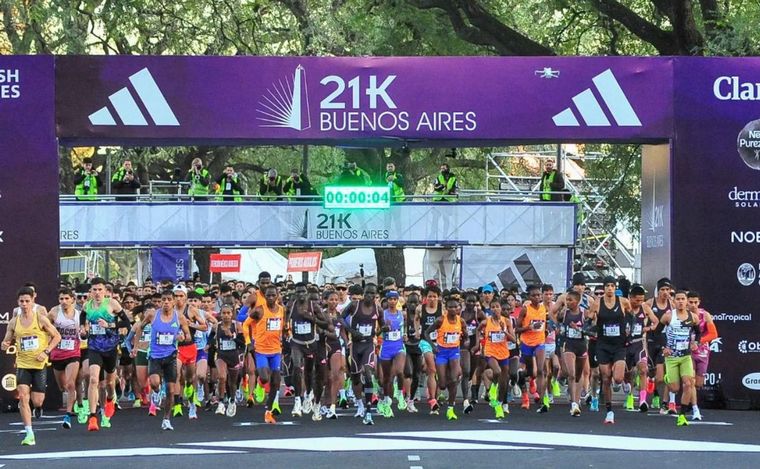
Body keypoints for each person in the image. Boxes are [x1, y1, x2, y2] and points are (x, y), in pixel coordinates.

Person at [2, 287, 62, 446]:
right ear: (17, 303)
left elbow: (57, 336)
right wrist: (5, 343)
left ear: (32, 301)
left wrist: (46, 351)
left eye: (27, 301)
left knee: (37, 400)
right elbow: (8, 339)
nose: (24, 304)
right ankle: (29, 433)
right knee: (22, 396)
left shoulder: (40, 318)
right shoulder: (14, 321)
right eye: (21, 301)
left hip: (39, 362)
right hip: (22, 363)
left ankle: (38, 407)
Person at [134, 290, 192, 430]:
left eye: (169, 299)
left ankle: (166, 419)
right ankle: (156, 391)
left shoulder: (179, 318)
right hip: (155, 356)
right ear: (160, 301)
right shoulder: (153, 315)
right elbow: (139, 328)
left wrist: (182, 337)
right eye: (163, 299)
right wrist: (136, 346)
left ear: (173, 302)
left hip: (171, 356)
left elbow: (188, 336)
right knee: (154, 383)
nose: (166, 302)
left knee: (171, 390)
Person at [82, 277, 127, 431]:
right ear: (91, 291)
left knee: (108, 383)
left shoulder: (112, 304)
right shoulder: (87, 306)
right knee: (94, 379)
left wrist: (110, 325)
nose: (97, 293)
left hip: (110, 348)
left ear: (105, 291)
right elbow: (83, 318)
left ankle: (110, 399)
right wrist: (83, 329)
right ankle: (93, 417)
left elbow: (126, 323)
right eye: (94, 290)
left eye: (100, 289)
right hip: (94, 347)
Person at [587, 276, 631, 425]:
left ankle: (622, 381)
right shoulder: (597, 303)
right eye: (607, 286)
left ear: (615, 288)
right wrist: (590, 322)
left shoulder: (623, 301)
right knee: (605, 377)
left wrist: (629, 328)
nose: (610, 288)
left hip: (619, 344)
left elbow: (631, 314)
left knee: (617, 378)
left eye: (613, 286)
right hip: (603, 344)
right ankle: (609, 411)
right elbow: (589, 319)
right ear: (604, 288)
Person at [659, 290, 701, 427]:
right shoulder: (668, 316)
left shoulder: (693, 317)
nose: (681, 301)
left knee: (689, 384)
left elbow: (698, 332)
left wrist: (695, 343)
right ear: (674, 301)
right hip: (671, 357)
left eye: (683, 299)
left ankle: (682, 415)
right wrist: (663, 347)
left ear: (687, 301)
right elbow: (657, 333)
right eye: (678, 299)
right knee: (674, 389)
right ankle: (668, 379)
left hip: (685, 356)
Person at [344, 283, 382, 425]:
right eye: (367, 293)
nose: (370, 296)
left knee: (367, 373)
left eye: (373, 294)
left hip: (368, 345)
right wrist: (352, 331)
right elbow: (341, 318)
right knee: (355, 378)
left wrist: (381, 330)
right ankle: (359, 403)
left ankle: (368, 410)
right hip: (355, 345)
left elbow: (380, 328)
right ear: (363, 293)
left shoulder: (378, 309)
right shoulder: (354, 305)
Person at [425, 297, 468, 421]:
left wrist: (465, 341)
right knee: (443, 385)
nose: (453, 309)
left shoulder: (461, 321)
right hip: (442, 352)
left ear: (459, 308)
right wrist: (433, 346)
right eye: (450, 307)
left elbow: (465, 336)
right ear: (446, 308)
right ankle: (438, 385)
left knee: (454, 380)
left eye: (456, 307)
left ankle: (450, 408)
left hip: (454, 352)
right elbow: (427, 333)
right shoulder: (440, 320)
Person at [250, 285, 286, 424]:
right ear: (265, 297)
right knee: (265, 378)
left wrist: (286, 333)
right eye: (268, 296)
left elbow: (284, 325)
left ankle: (268, 412)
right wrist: (249, 341)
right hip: (261, 350)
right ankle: (260, 384)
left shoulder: (282, 310)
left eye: (273, 295)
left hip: (276, 350)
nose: (271, 298)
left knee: (276, 382)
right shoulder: (259, 310)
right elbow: (247, 323)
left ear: (277, 296)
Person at [47, 288, 81, 429]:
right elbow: (44, 328)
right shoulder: (54, 313)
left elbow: (85, 329)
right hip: (57, 353)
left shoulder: (79, 314)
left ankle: (68, 414)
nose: (64, 302)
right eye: (61, 299)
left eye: (67, 298)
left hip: (73, 352)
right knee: (62, 387)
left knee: (70, 384)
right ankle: (72, 404)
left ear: (72, 299)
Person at [477, 298, 514, 419]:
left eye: (497, 306)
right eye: (493, 307)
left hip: (503, 353)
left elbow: (513, 340)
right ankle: (492, 388)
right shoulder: (486, 322)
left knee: (504, 382)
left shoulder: (507, 321)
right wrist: (479, 344)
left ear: (501, 308)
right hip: (490, 351)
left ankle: (499, 405)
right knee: (496, 371)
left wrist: (504, 331)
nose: (495, 309)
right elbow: (478, 330)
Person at [625, 285, 659, 412]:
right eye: (637, 300)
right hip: (626, 344)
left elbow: (656, 322)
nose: (639, 303)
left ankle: (642, 400)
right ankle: (629, 396)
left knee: (643, 370)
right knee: (628, 374)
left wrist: (648, 328)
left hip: (639, 343)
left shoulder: (644, 308)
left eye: (641, 300)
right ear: (630, 298)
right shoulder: (625, 308)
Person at [515, 285, 548, 412]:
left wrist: (545, 330)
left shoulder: (543, 308)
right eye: (534, 295)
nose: (537, 297)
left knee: (541, 370)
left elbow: (544, 324)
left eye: (539, 295)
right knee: (531, 372)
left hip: (540, 343)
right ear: (529, 297)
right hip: (527, 343)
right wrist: (528, 328)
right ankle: (524, 377)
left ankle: (542, 400)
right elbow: (517, 328)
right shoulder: (525, 310)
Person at [687, 291, 717, 421]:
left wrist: (699, 341)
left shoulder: (705, 315)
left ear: (699, 302)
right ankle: (695, 408)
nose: (693, 305)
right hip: (687, 351)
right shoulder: (682, 314)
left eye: (695, 302)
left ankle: (689, 400)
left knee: (698, 384)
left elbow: (713, 334)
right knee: (691, 381)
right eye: (691, 302)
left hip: (702, 351)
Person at [646, 277, 674, 414]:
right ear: (658, 291)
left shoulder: (672, 305)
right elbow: (642, 318)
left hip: (664, 341)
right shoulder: (650, 303)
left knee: (661, 376)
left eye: (667, 289)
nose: (665, 292)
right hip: (651, 340)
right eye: (662, 289)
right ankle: (654, 388)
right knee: (651, 372)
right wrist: (649, 328)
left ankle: (661, 399)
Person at [378, 291, 407, 418]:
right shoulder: (383, 315)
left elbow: (402, 329)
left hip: (398, 346)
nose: (393, 301)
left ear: (398, 301)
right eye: (390, 299)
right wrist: (382, 329)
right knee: (387, 378)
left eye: (395, 299)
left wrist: (404, 335)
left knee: (400, 371)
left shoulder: (401, 314)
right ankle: (386, 400)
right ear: (387, 301)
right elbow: (377, 331)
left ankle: (400, 393)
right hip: (386, 347)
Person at [415, 285, 443, 414]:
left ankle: (434, 398)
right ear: (426, 298)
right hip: (425, 341)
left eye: (435, 297)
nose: (432, 299)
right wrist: (417, 331)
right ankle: (432, 400)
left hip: (440, 342)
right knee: (431, 369)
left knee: (436, 372)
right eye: (430, 296)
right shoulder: (420, 309)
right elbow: (416, 319)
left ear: (438, 298)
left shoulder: (442, 310)